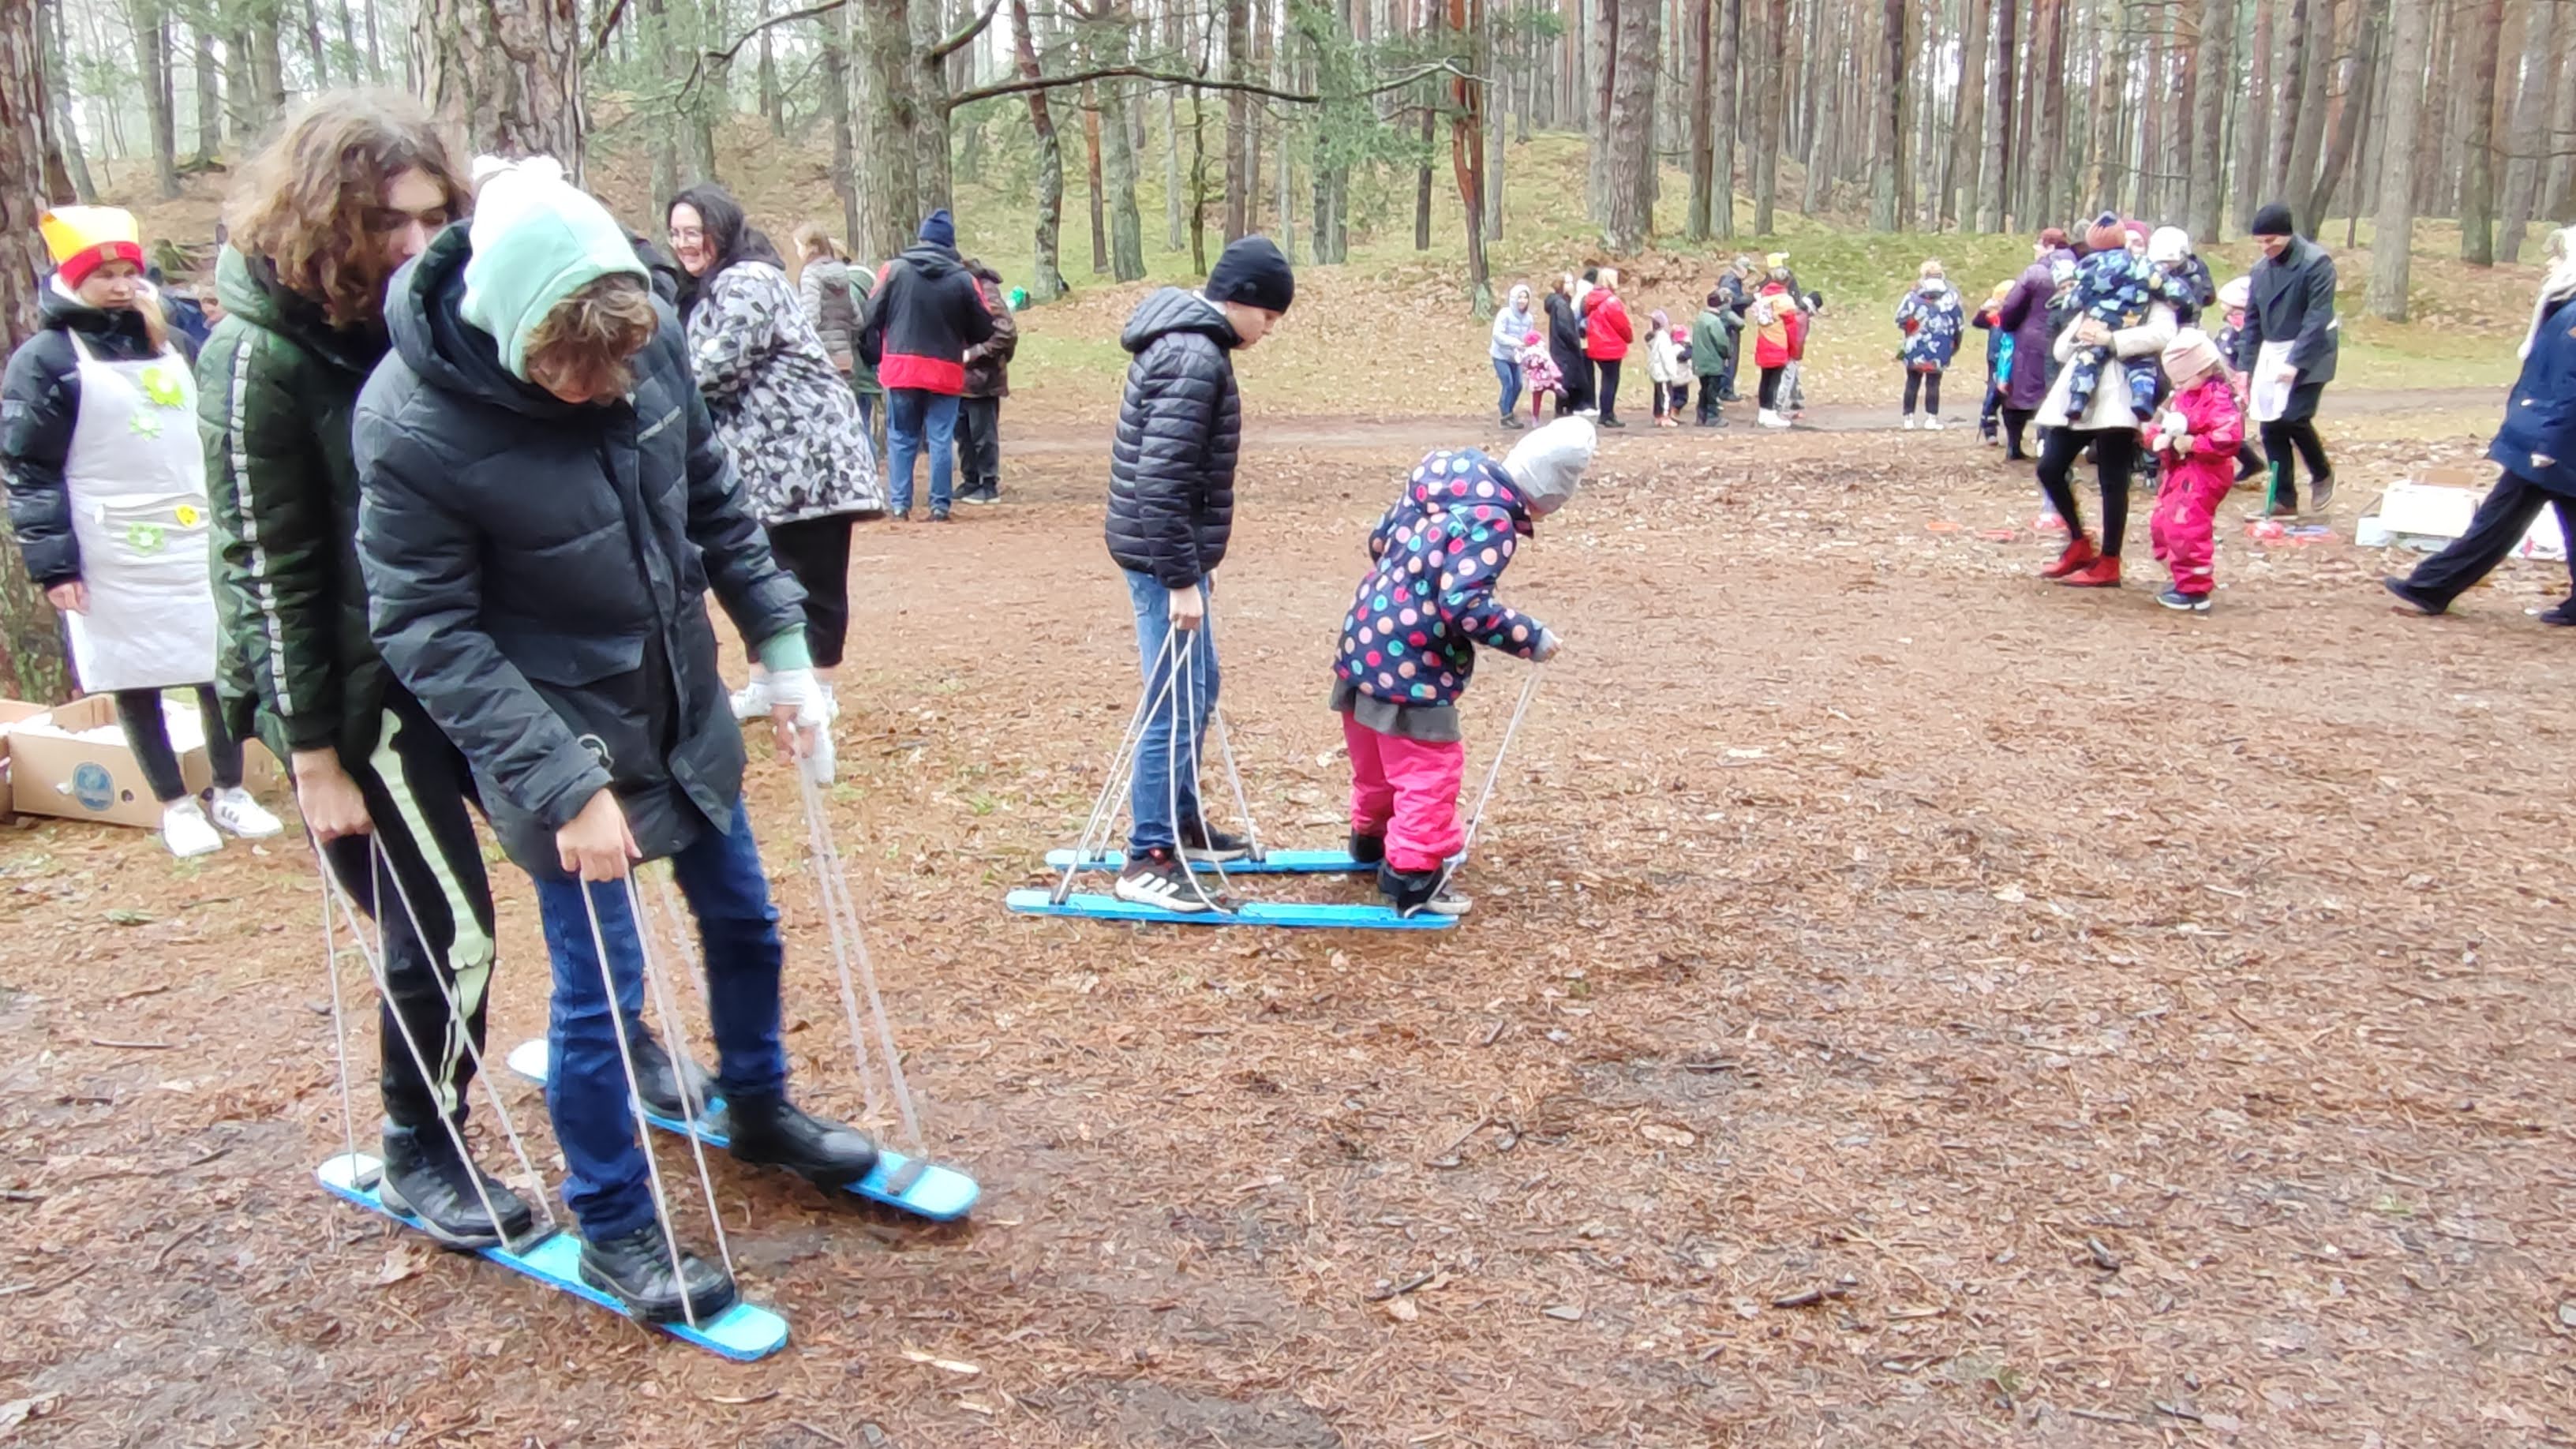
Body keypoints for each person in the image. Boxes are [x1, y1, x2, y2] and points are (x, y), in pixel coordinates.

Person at [355, 159, 880, 1324]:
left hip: (679, 708)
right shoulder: (409, 419)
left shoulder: (646, 355)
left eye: (620, 365)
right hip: (550, 737)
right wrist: (559, 784)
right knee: (604, 996)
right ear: (506, 331)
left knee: (745, 918)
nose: (602, 390)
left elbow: (717, 509)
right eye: (569, 369)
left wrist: (781, 650)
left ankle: (759, 1106)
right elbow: (424, 628)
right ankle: (616, 1225)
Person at [202, 92, 687, 1250]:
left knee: (584, 852)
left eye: (432, 217)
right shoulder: (260, 356)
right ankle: (418, 1137)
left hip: (477, 663)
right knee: (449, 928)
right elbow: (265, 571)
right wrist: (311, 753)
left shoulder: (437, 318)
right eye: (386, 224)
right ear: (326, 223)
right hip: (363, 694)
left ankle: (621, 1047)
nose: (414, 245)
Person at [3, 207, 283, 857]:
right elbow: (29, 469)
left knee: (217, 662)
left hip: (192, 530)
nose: (122, 285)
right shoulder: (45, 362)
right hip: (110, 543)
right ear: (73, 280)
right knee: (137, 674)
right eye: (105, 275)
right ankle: (173, 803)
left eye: (129, 271)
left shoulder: (172, 340)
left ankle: (229, 787)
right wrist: (56, 566)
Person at [667, 184, 882, 787]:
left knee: (813, 573)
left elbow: (710, 366)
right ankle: (768, 684)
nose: (686, 243)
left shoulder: (750, 282)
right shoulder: (707, 287)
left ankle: (822, 687)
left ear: (723, 229)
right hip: (761, 462)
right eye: (677, 232)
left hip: (810, 454)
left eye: (696, 230)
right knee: (759, 567)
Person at [1332, 417, 1592, 917]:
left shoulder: (1440, 482)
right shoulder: (1494, 521)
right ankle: (1411, 875)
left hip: (1365, 633)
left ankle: (1372, 837)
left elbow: (1379, 543)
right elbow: (1464, 604)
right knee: (1429, 767)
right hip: (1415, 660)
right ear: (1547, 494)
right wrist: (1528, 636)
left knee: (1376, 755)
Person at [1103, 237, 1294, 912]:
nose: (1270, 330)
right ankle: (1147, 854)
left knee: (1197, 684)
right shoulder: (1193, 356)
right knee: (1173, 699)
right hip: (1162, 559)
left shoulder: (1194, 345)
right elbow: (1160, 479)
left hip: (1170, 553)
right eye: (1268, 316)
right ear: (1240, 300)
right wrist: (1182, 576)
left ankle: (1180, 823)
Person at [2383, 227, 2576, 627]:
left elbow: (2569, 385)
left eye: (2558, 258)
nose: (2549, 265)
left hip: (2553, 438)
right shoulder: (2567, 309)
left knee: (2498, 521)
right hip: (2553, 435)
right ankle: (2432, 585)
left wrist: (2547, 440)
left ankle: (2432, 586)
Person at [2031, 221, 2181, 590]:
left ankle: (2110, 561)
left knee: (2113, 477)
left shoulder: (2151, 290)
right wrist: (2081, 338)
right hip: (2079, 390)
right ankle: (2079, 542)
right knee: (2050, 467)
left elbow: (2165, 334)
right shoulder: (2095, 291)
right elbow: (2062, 347)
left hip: (2122, 388)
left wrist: (2112, 338)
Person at [857, 208, 994, 522]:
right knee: (941, 438)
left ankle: (901, 504)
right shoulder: (964, 279)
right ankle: (939, 505)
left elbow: (870, 314)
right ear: (950, 243)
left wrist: (876, 351)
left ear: (920, 238)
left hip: (901, 366)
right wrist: (963, 337)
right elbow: (985, 327)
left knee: (901, 437)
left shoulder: (894, 270)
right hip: (945, 369)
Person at [2241, 202, 2339, 519]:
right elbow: (2252, 322)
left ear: (2287, 234)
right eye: (2260, 242)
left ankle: (2321, 472)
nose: (2266, 248)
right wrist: (2245, 368)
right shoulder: (2259, 271)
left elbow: (2317, 316)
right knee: (2270, 426)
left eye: (2272, 241)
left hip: (2313, 351)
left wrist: (2296, 362)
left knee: (2294, 416)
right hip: (2274, 350)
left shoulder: (2316, 263)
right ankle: (2283, 499)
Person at [2142, 329, 2245, 613]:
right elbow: (2155, 424)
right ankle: (2177, 570)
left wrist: (2193, 444)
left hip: (2204, 473)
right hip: (2180, 470)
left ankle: (2194, 587)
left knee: (2187, 525)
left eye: (2183, 379)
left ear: (2204, 368)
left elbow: (2228, 438)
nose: (2178, 385)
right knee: (2163, 521)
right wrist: (2158, 440)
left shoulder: (2219, 399)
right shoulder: (2181, 396)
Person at [2056, 215, 2196, 425]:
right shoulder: (2141, 266)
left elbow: (2073, 301)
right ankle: (2142, 397)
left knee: (2087, 361)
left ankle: (2078, 399)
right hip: (2132, 320)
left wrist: (2072, 306)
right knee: (2141, 363)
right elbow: (2171, 288)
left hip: (2099, 324)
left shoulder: (2085, 270)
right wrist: (2185, 302)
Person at [792, 224, 883, 444]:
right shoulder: (842, 274)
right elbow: (858, 319)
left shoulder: (811, 274)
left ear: (810, 247)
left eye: (798, 246)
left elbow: (810, 318)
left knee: (825, 428)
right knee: (855, 425)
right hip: (845, 360)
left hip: (821, 361)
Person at [1994, 231, 2073, 460]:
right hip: (2068, 337)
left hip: (2032, 341)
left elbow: (2011, 306)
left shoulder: (2035, 273)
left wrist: (2008, 327)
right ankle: (2050, 445)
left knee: (2018, 395)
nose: (2036, 249)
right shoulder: (2079, 270)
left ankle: (2014, 445)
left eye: (2038, 244)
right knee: (2057, 392)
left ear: (2048, 246)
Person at [956, 257, 1017, 504]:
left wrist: (975, 353)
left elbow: (1006, 332)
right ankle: (970, 480)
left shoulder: (984, 288)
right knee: (963, 434)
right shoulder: (960, 285)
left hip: (982, 378)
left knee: (983, 435)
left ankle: (989, 484)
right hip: (959, 378)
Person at [1894, 260, 1964, 431]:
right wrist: (1955, 343)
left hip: (1914, 345)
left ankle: (1908, 418)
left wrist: (1912, 328)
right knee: (1934, 383)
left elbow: (1900, 318)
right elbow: (1959, 323)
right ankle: (1931, 418)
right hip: (1940, 345)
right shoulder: (1951, 296)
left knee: (1912, 381)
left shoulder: (1913, 295)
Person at [2211, 276, 2267, 484]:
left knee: (2227, 426)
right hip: (2224, 385)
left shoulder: (2252, 337)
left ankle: (2248, 461)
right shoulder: (2228, 334)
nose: (2230, 319)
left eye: (2235, 313)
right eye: (2226, 314)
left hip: (2241, 385)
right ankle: (2248, 460)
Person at [1750, 260, 1806, 429]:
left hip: (1763, 342)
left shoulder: (1763, 296)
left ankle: (1763, 412)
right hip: (1779, 343)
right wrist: (1795, 348)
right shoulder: (1785, 301)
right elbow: (1792, 328)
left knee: (1765, 379)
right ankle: (1770, 413)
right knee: (1774, 380)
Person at [1582, 268, 1633, 428]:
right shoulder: (1612, 302)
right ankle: (1607, 414)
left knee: (1606, 380)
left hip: (1596, 345)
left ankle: (1606, 413)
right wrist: (1629, 338)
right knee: (1611, 381)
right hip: (1611, 346)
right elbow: (1622, 325)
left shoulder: (1591, 300)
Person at [1970, 279, 2013, 444]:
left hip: (2012, 359)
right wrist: (1985, 309)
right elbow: (1978, 322)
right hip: (1996, 358)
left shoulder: (2017, 315)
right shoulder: (1995, 316)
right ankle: (1989, 427)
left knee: (2009, 394)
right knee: (1993, 391)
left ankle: (2011, 433)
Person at [1543, 276, 1592, 417]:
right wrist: (1575, 342)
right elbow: (1565, 328)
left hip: (1560, 348)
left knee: (1566, 380)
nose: (1572, 285)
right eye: (1568, 282)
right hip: (1565, 349)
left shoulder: (1561, 303)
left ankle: (1564, 411)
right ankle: (1563, 412)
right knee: (1567, 382)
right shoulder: (1561, 305)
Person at [1488, 283, 1534, 431]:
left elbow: (1529, 337)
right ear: (1513, 299)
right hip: (1501, 355)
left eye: (1525, 297)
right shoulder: (1505, 314)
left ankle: (1508, 409)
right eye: (1519, 297)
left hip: (1517, 357)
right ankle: (1505, 416)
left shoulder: (1529, 319)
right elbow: (1497, 334)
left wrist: (1531, 348)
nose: (1522, 300)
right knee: (1508, 383)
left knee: (1518, 385)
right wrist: (1515, 343)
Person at [1714, 257, 1756, 402]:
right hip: (1729, 325)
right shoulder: (1730, 282)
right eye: (1748, 271)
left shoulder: (1731, 280)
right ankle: (1726, 389)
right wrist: (1751, 299)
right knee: (1730, 357)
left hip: (1730, 324)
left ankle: (1725, 387)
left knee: (1730, 356)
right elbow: (1733, 303)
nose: (1748, 274)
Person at [1690, 290, 1733, 427]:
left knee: (1703, 389)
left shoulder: (1701, 318)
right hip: (1712, 361)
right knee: (1712, 391)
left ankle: (1701, 416)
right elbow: (1721, 342)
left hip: (1700, 361)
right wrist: (1727, 354)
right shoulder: (1714, 321)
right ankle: (1712, 416)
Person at [1646, 309, 1685, 428]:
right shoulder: (1663, 338)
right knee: (1666, 395)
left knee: (1658, 396)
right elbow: (1666, 356)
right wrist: (1672, 372)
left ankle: (1658, 415)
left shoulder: (1655, 337)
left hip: (1657, 372)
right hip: (1663, 373)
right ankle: (1665, 417)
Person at [1515, 326, 1562, 424]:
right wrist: (1556, 373)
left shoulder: (1526, 355)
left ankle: (1535, 418)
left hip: (1534, 381)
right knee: (1553, 386)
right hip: (1545, 377)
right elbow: (1549, 363)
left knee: (1536, 399)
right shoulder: (1542, 352)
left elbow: (1521, 364)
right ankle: (1558, 389)